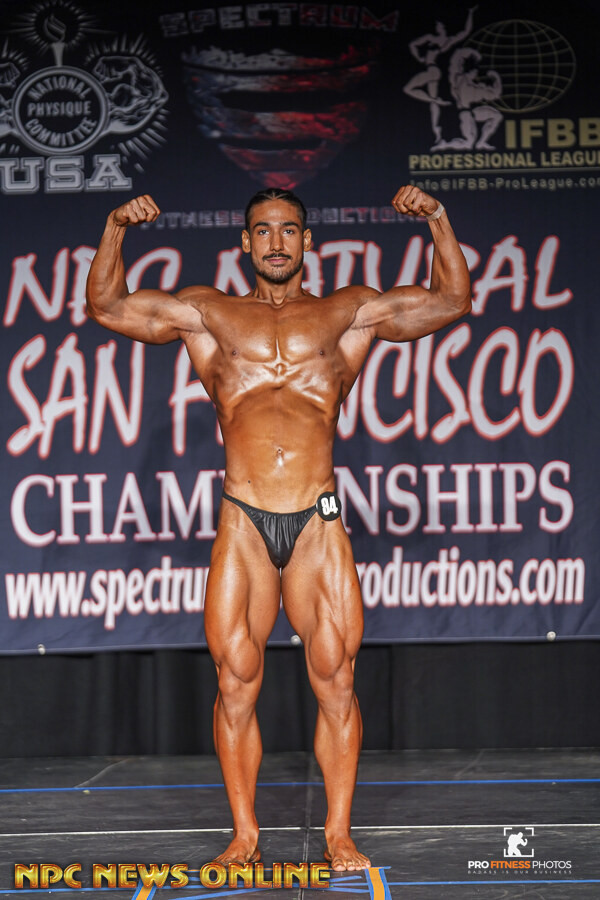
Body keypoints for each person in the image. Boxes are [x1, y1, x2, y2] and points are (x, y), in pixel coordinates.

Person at [86, 184, 471, 871]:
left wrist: (438, 220)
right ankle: (244, 836)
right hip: (244, 518)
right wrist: (115, 226)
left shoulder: (345, 312)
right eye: (262, 230)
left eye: (288, 230)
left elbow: (450, 301)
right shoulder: (208, 314)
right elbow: (107, 306)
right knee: (236, 682)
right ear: (245, 242)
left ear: (307, 241)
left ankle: (339, 834)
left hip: (317, 519)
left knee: (337, 679)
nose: (275, 242)